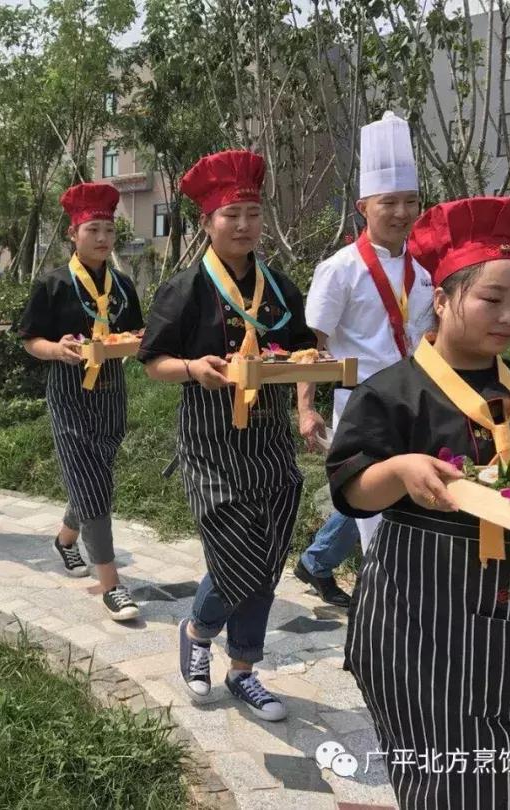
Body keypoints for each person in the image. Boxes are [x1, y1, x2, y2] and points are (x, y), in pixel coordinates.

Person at [328, 196, 510, 808]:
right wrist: (399, 467)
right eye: (491, 300)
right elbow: (353, 491)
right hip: (423, 627)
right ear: (441, 301)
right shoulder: (393, 393)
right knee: (450, 785)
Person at [140, 150, 319, 721]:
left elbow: (299, 353)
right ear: (207, 222)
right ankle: (197, 631)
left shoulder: (279, 286)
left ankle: (243, 668)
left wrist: (307, 401)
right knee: (236, 552)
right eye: (231, 214)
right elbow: (152, 361)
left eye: (252, 213)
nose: (244, 225)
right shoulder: (187, 287)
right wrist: (194, 368)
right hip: (210, 442)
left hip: (268, 439)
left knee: (267, 559)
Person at [296, 111, 435, 607]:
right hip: (361, 405)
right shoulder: (339, 269)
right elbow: (311, 344)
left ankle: (322, 564)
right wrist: (306, 407)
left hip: (416, 403)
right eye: (389, 202)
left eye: (410, 202)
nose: (401, 212)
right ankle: (386, 616)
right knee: (379, 513)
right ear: (363, 206)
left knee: (398, 498)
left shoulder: (422, 272)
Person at [18, 182, 145, 622]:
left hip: (112, 389)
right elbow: (31, 340)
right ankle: (111, 583)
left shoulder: (123, 286)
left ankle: (66, 539)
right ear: (74, 233)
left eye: (109, 229)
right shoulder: (53, 284)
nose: (103, 238)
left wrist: (138, 341)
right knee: (91, 482)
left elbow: (135, 334)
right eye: (93, 229)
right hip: (70, 392)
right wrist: (57, 350)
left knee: (99, 474)